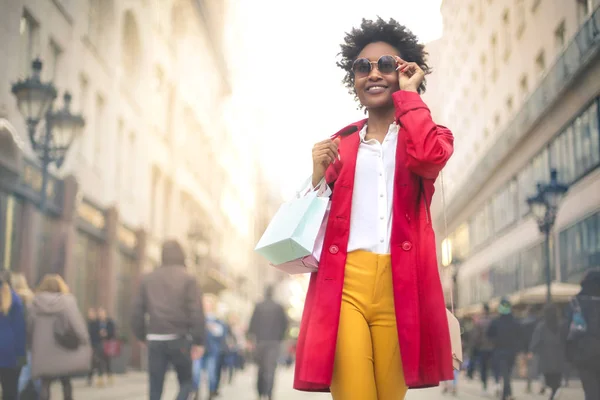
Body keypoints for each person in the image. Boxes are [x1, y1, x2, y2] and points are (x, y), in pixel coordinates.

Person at [293, 17, 454, 399]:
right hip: (345, 283)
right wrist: (317, 174)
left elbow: (431, 157)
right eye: (362, 67)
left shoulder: (427, 134)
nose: (373, 73)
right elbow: (307, 220)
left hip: (402, 287)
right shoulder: (340, 144)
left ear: (405, 72)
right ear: (354, 79)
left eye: (386, 64)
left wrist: (411, 98)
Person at [131, 239, 205, 400]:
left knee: (155, 386)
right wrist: (199, 341)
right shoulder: (188, 279)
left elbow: (137, 310)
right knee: (186, 382)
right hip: (179, 338)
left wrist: (141, 335)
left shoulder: (148, 279)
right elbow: (196, 312)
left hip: (155, 338)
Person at [29, 274, 92, 400]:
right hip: (64, 350)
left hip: (43, 351)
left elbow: (30, 327)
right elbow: (77, 324)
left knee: (45, 383)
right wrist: (85, 339)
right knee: (66, 382)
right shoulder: (67, 301)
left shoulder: (34, 303)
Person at [248, 286, 289, 400]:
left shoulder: (258, 306)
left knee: (261, 369)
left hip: (260, 342)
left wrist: (251, 339)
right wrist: (280, 337)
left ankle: (260, 393)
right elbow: (285, 324)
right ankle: (269, 394)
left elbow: (252, 324)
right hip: (274, 342)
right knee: (270, 369)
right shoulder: (279, 307)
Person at [565, 269, 600, 400]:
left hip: (585, 353)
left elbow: (572, 330)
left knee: (591, 391)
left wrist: (569, 353)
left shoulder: (576, 302)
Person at [11, 273, 40, 397]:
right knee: (27, 375)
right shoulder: (32, 300)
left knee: (14, 377)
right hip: (28, 345)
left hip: (12, 345)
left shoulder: (10, 299)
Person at [528, 304, 565, 400]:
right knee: (556, 378)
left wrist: (532, 350)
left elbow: (536, 340)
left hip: (546, 357)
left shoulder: (542, 326)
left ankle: (553, 392)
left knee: (549, 378)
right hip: (558, 357)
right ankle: (554, 391)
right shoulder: (561, 325)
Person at [487, 298, 521, 400]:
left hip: (500, 350)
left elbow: (489, 334)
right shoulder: (515, 321)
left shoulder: (496, 322)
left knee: (505, 373)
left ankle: (506, 394)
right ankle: (507, 394)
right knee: (507, 373)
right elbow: (520, 336)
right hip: (511, 350)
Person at [0, 271, 26, 400]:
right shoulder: (15, 300)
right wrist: (22, 358)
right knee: (10, 391)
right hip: (10, 354)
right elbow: (19, 332)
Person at [88, 307, 116, 386]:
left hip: (107, 344)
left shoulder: (109, 322)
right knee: (98, 361)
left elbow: (113, 333)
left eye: (102, 312)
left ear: (105, 313)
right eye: (100, 313)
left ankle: (109, 376)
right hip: (98, 344)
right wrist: (99, 334)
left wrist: (106, 334)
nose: (101, 314)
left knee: (107, 361)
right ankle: (99, 379)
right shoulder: (96, 323)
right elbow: (92, 333)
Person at [471, 304, 495, 394]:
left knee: (483, 368)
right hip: (493, 348)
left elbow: (476, 337)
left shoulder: (480, 322)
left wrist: (475, 346)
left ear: (484, 311)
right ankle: (496, 384)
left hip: (482, 348)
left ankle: (485, 386)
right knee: (493, 367)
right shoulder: (493, 321)